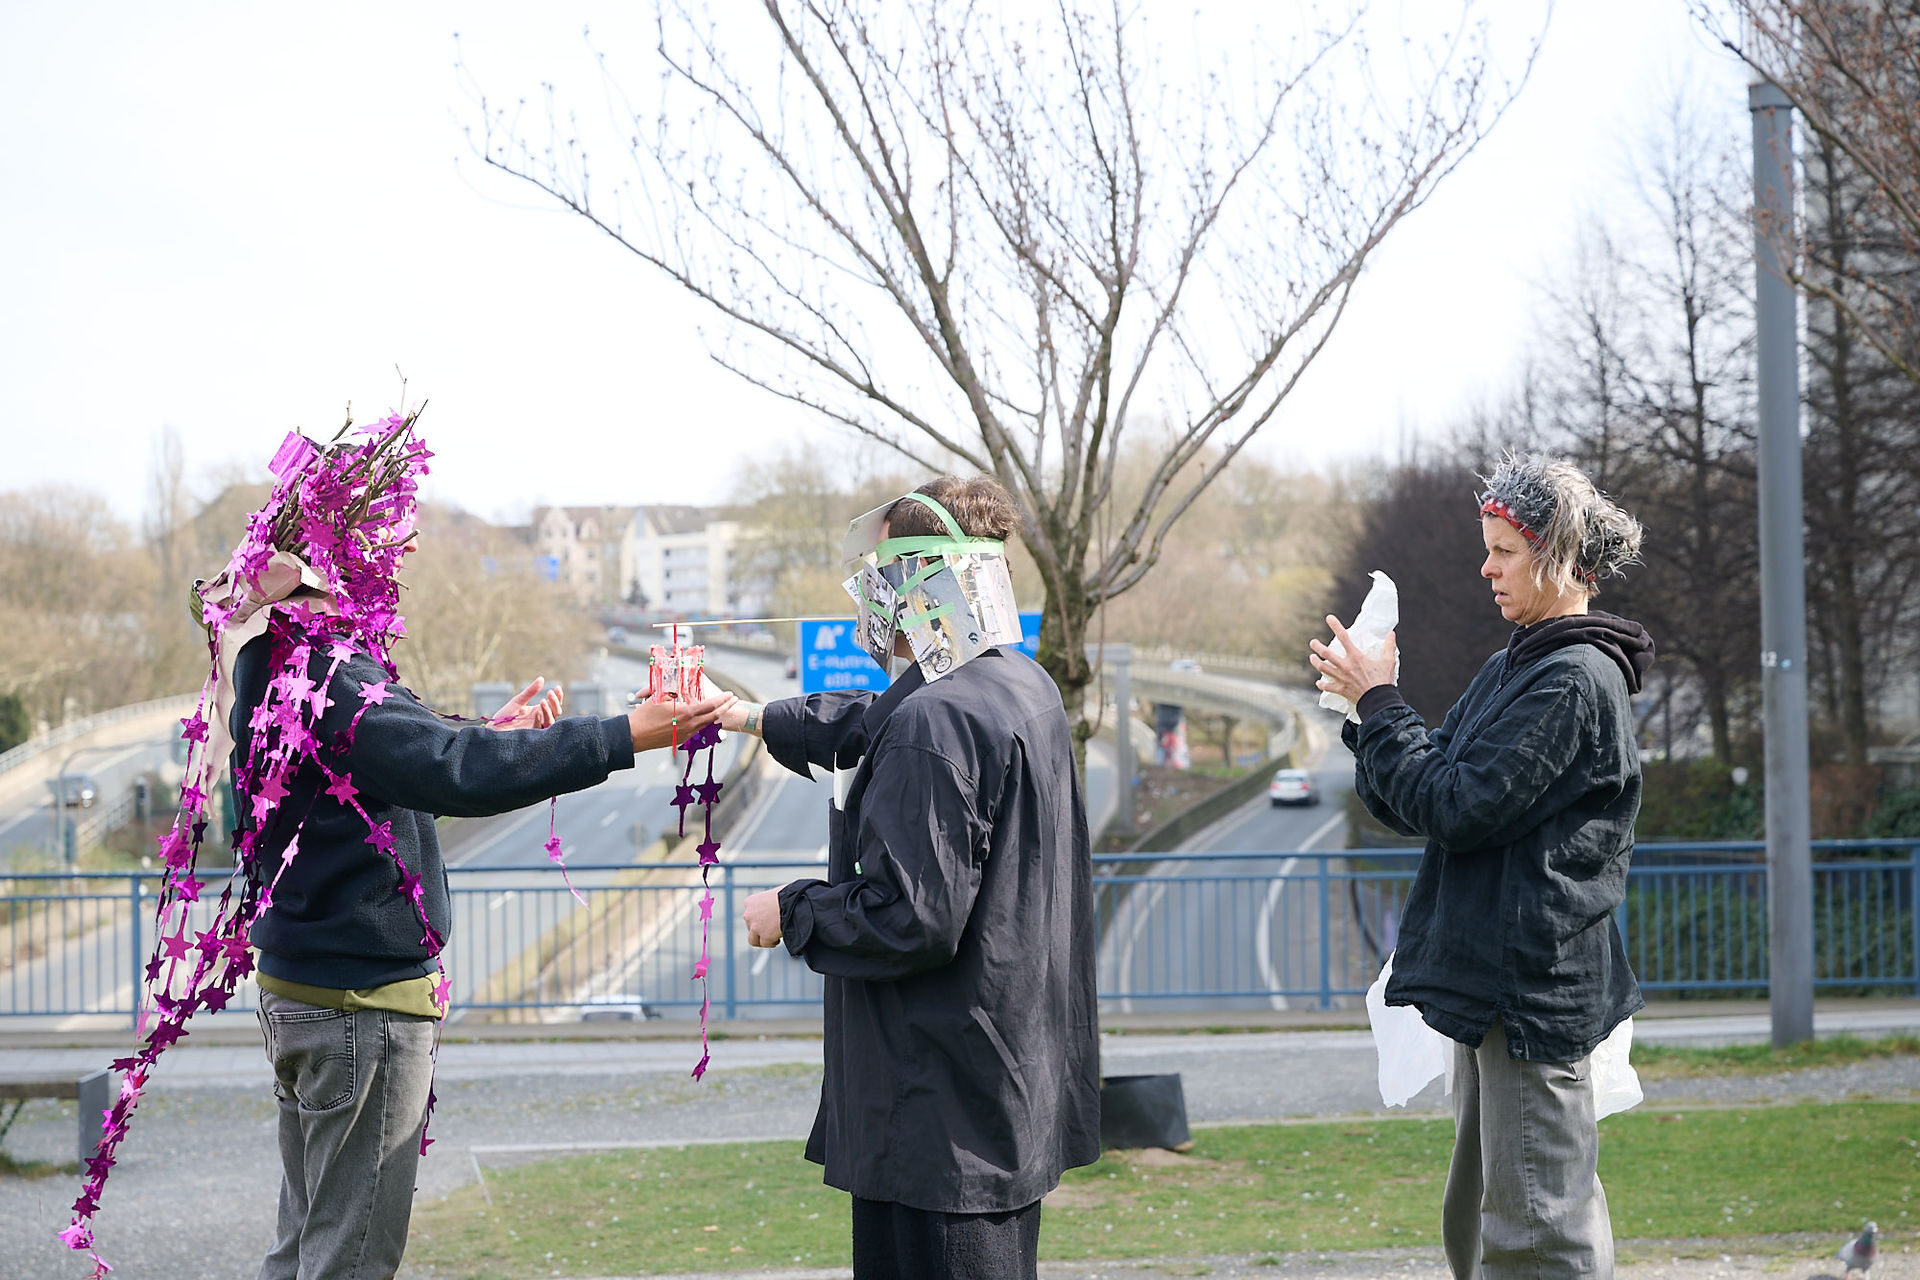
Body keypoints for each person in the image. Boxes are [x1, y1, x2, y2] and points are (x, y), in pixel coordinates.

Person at [724, 475, 1099, 1280]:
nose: (871, 595)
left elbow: (911, 917)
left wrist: (790, 912)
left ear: (927, 581)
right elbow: (871, 723)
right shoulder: (1017, 683)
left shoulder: (937, 721)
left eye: (885, 572)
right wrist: (746, 715)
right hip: (997, 1093)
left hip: (938, 1120)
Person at [1310, 453, 1654, 1279]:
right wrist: (1369, 713)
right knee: (1487, 1219)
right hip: (1490, 990)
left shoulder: (1573, 678)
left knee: (1537, 1232)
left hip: (1528, 995)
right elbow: (1420, 798)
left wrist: (1381, 703)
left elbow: (1459, 807)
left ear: (1562, 559)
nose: (1485, 566)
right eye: (1488, 546)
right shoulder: (1520, 663)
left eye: (1504, 549)